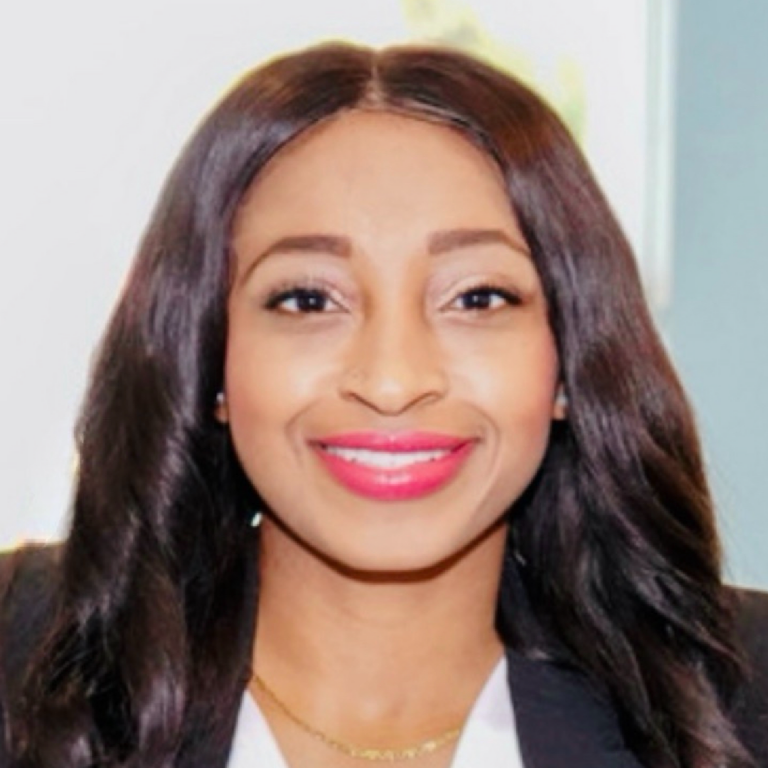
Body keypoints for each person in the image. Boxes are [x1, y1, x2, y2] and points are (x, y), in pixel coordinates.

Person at [0, 42, 766, 768]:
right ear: (212, 362)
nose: (392, 379)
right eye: (306, 299)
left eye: (477, 297)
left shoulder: (738, 704)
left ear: (568, 361)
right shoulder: (20, 657)